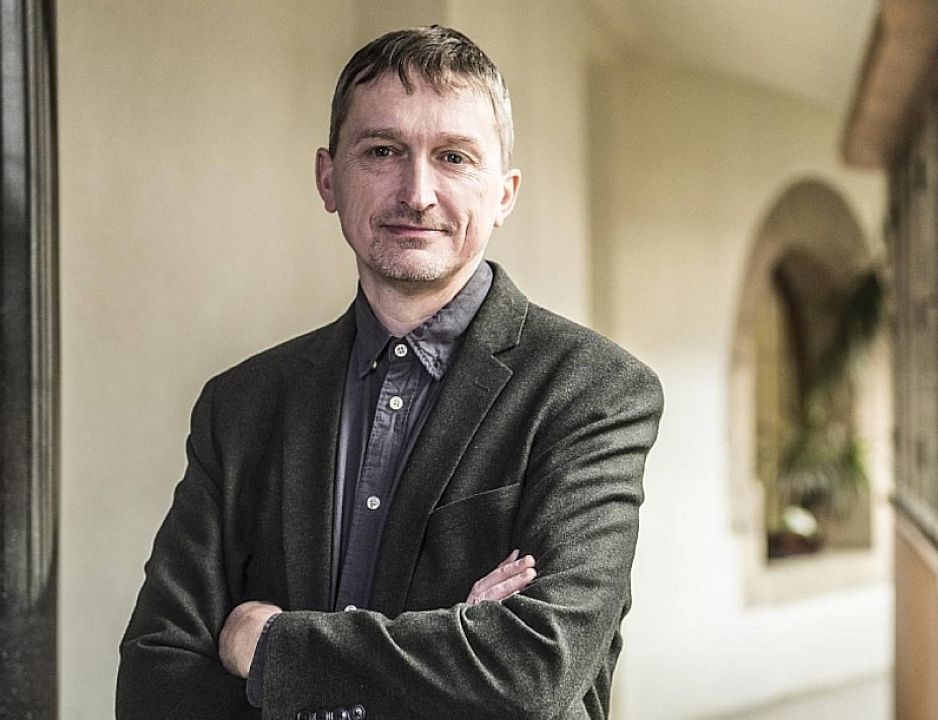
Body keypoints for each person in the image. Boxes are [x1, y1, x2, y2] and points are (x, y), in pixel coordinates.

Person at [116, 25, 663, 719]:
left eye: (454, 157)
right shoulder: (241, 405)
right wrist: (455, 643)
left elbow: (535, 666)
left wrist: (272, 648)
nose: (417, 193)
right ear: (328, 178)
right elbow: (154, 677)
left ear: (504, 193)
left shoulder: (593, 391)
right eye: (382, 151)